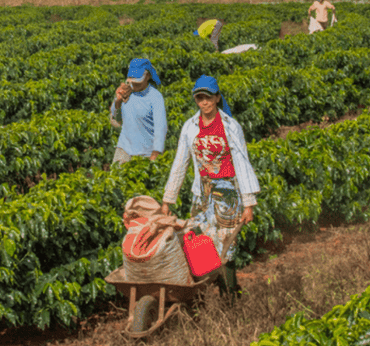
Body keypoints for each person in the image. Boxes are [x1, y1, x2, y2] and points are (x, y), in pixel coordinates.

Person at [161, 75, 259, 295]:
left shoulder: (231, 126)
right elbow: (180, 163)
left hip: (227, 193)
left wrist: (248, 203)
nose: (204, 102)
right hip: (202, 193)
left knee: (226, 243)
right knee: (199, 240)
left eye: (208, 97)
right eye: (199, 98)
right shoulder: (190, 127)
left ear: (217, 98)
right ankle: (207, 290)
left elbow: (242, 163)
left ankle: (230, 295)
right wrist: (168, 199)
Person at [109, 57, 167, 166]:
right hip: (124, 149)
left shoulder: (155, 97)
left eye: (138, 81)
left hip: (145, 153)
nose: (134, 84)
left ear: (148, 76)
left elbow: (161, 127)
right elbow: (116, 121)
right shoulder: (126, 91)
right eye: (133, 81)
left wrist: (155, 153)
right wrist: (118, 101)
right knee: (116, 179)